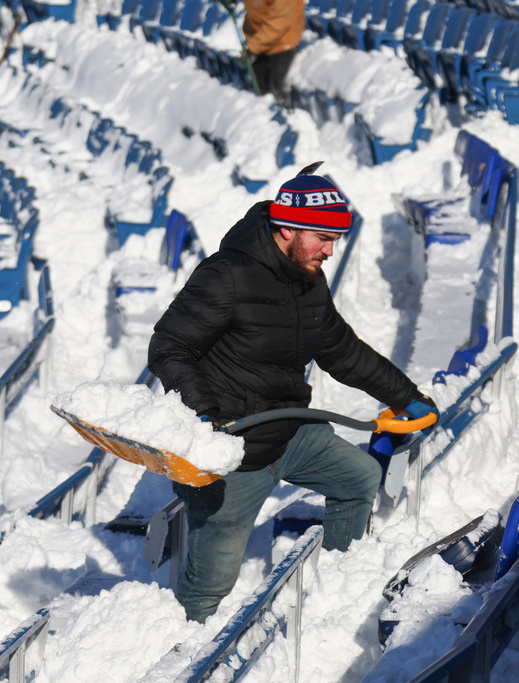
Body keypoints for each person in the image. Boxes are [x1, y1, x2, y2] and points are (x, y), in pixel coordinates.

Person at [147, 164, 438, 623]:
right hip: (231, 449)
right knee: (210, 588)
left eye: (336, 239)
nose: (331, 249)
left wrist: (407, 396)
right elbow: (169, 347)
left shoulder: (308, 280)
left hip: (287, 429)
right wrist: (203, 418)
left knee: (359, 478)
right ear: (287, 227)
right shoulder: (226, 275)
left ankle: (334, 601)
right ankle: (184, 655)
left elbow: (340, 349)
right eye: (323, 238)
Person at [241, 0, 305, 107]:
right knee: (258, 86)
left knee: (277, 87)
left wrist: (253, 48)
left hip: (282, 40)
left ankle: (285, 116)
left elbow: (280, 22)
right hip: (260, 38)